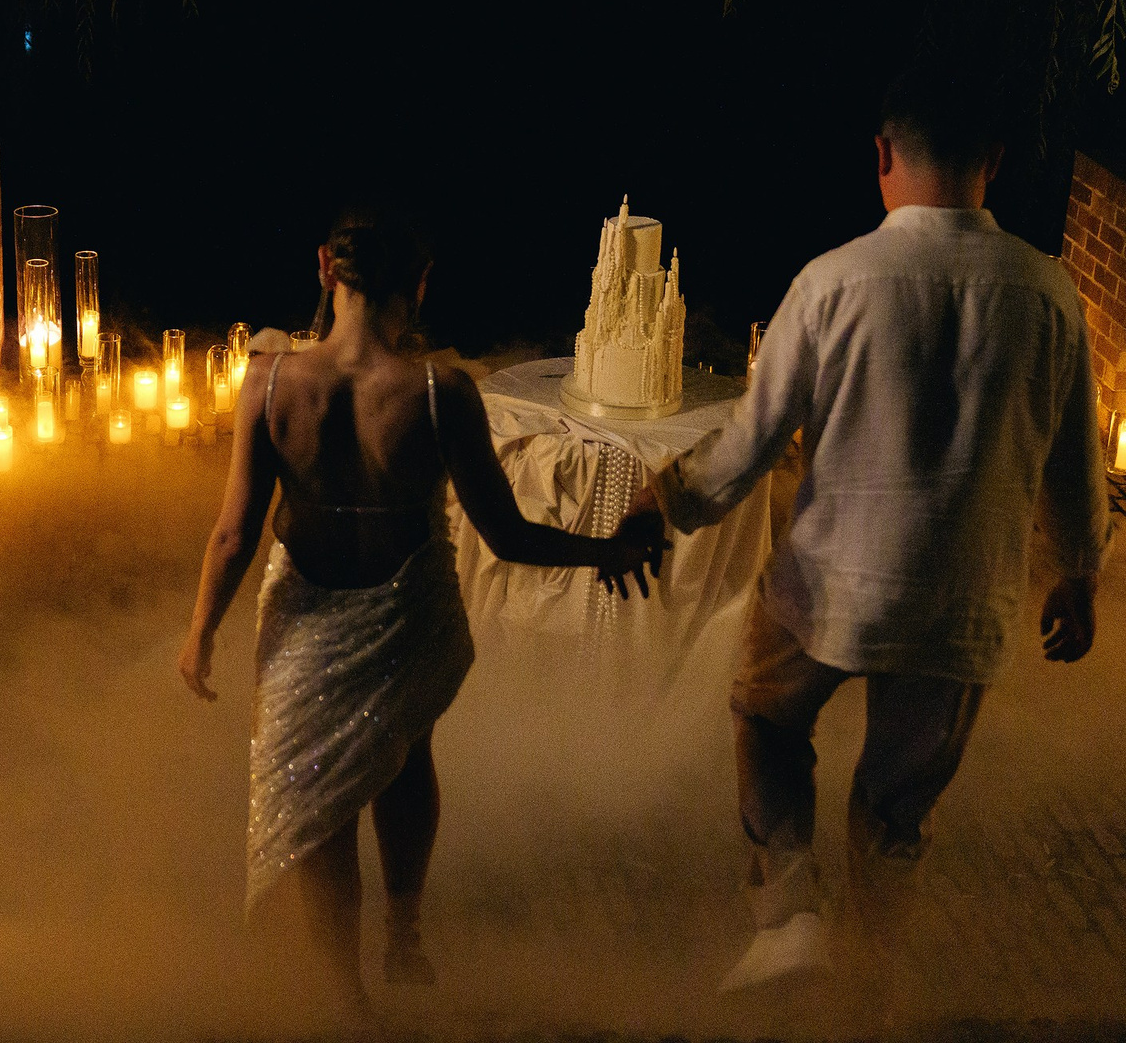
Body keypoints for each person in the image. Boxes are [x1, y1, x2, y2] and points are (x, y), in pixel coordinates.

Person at [619, 62, 1109, 994]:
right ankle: (870, 997)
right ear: (994, 161)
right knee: (897, 808)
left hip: (828, 587)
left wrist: (664, 503)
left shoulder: (833, 284)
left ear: (882, 155)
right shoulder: (1047, 294)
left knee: (767, 717)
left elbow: (751, 443)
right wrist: (1078, 573)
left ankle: (788, 911)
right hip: (963, 603)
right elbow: (1073, 461)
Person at [177, 213, 659, 1015]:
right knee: (401, 754)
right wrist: (603, 551)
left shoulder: (267, 383)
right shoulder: (441, 395)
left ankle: (346, 991)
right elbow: (506, 535)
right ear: (420, 286)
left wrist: (200, 632)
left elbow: (234, 534)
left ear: (326, 267)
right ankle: (402, 933)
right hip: (409, 611)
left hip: (313, 617)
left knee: (321, 804)